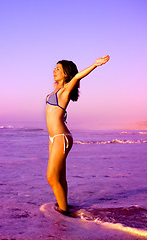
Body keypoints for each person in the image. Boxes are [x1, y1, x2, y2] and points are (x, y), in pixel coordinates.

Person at [46, 55, 110, 215]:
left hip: (61, 137)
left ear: (66, 74)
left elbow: (78, 76)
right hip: (53, 138)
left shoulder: (65, 90)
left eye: (58, 69)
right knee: (60, 177)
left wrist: (95, 64)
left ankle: (64, 213)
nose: (54, 70)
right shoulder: (55, 89)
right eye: (55, 68)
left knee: (51, 177)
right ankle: (64, 205)